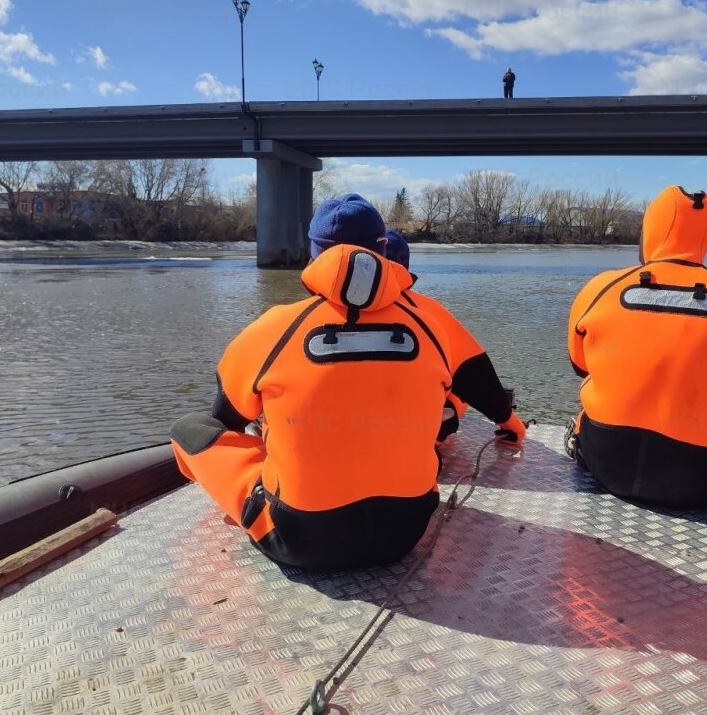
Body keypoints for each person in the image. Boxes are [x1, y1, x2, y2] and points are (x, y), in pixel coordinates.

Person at [170, 194, 521, 573]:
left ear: (313, 253)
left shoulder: (273, 328)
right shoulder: (432, 322)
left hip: (301, 541)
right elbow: (484, 386)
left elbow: (226, 423)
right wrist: (512, 426)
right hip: (404, 535)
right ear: (383, 248)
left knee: (190, 430)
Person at [566, 185, 707, 509]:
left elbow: (580, 364)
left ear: (649, 231)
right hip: (696, 481)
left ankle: (577, 437)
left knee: (593, 392)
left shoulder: (600, 287)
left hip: (604, 464)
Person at [385, 229, 524, 444]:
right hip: (412, 438)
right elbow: (476, 374)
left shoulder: (315, 310)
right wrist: (510, 422)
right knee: (458, 389)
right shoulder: (427, 309)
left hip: (335, 429)